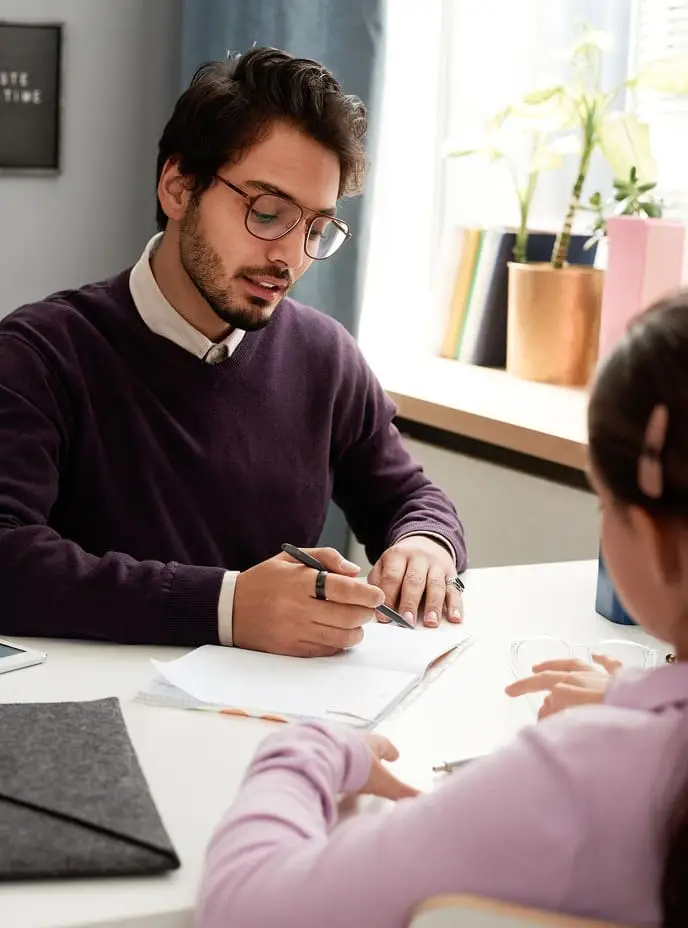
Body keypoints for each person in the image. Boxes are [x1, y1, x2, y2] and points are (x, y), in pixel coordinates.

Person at [196, 292, 688, 928]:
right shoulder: (61, 345)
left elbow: (243, 909)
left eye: (603, 503)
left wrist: (307, 747)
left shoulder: (581, 779)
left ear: (649, 536)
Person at [0, 48, 466, 652]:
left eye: (315, 229)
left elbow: (408, 496)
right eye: (267, 213)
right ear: (178, 188)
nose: (290, 257)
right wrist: (225, 606)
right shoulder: (38, 355)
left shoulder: (324, 356)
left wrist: (426, 543)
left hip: (274, 701)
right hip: (100, 704)